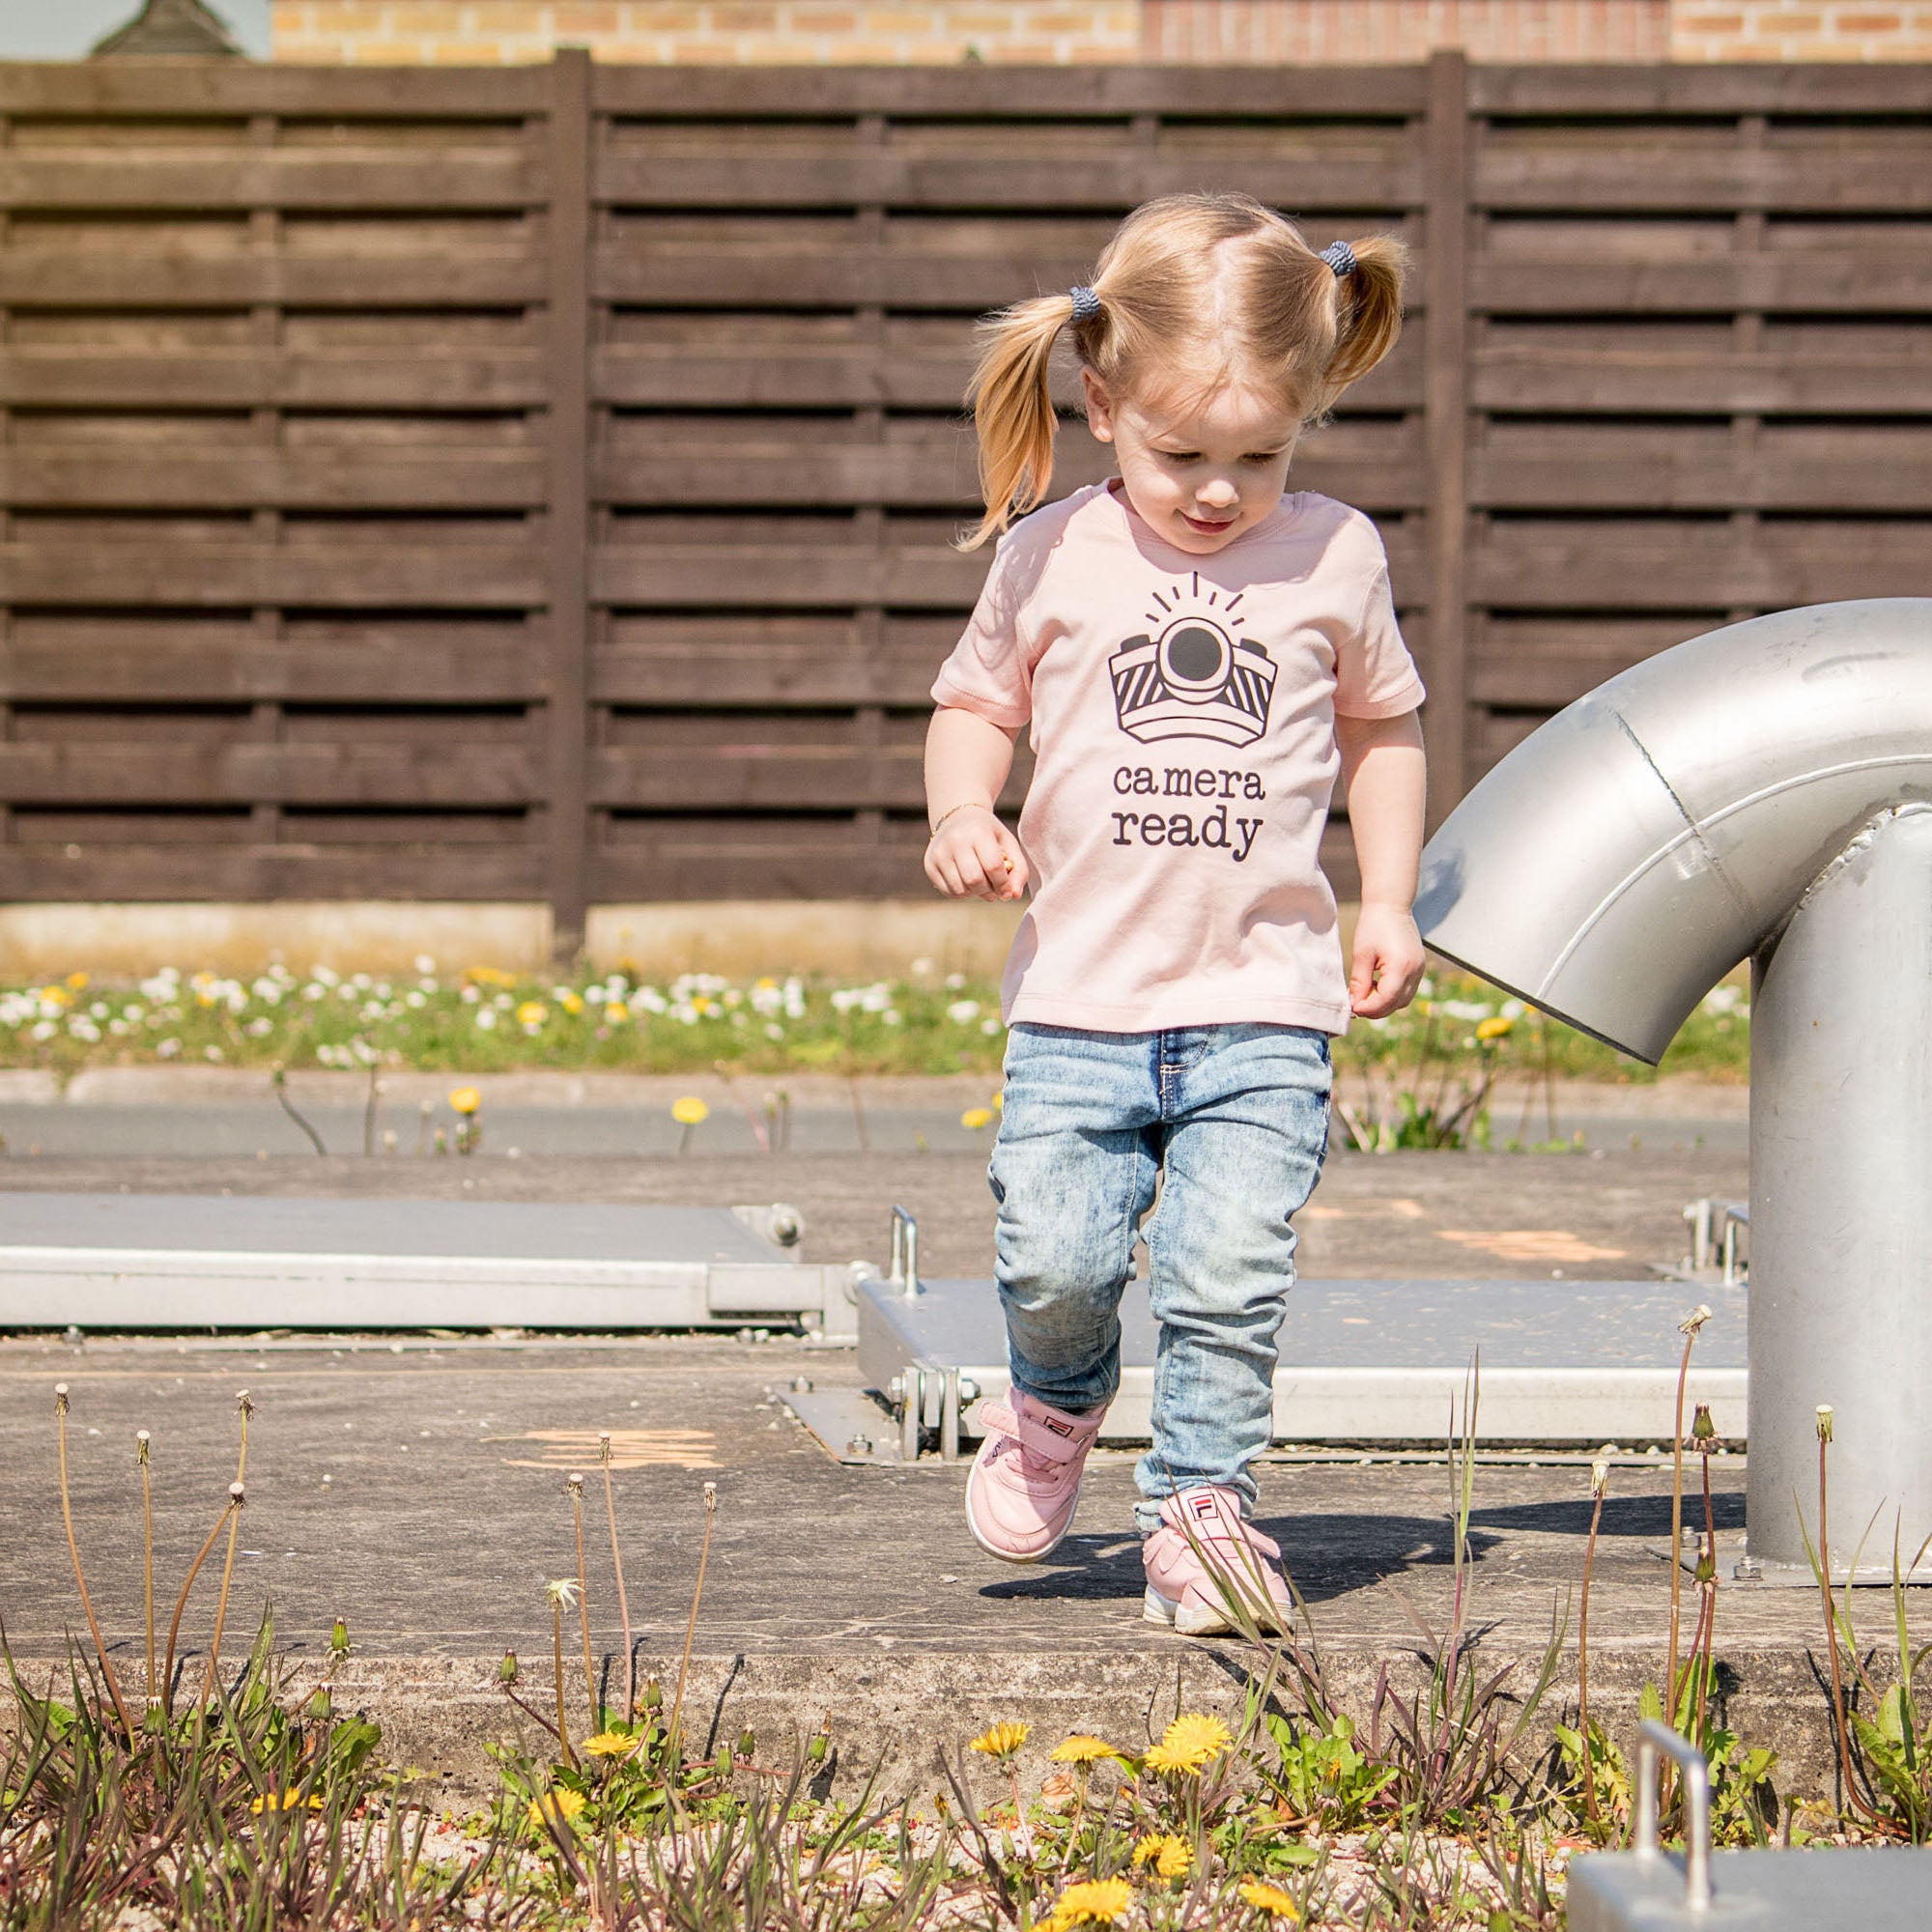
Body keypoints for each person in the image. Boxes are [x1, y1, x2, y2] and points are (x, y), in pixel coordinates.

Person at [922, 193, 1428, 1636]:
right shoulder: (1055, 554)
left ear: (1312, 416)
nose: (1219, 492)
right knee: (1055, 1263)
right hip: (1080, 1005)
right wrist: (965, 809)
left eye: (1259, 457)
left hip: (1264, 1000)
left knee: (1226, 1272)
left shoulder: (1335, 554)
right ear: (1100, 401)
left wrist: (1385, 895)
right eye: (1181, 455)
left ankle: (1201, 1510)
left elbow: (1385, 728)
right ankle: (1058, 1400)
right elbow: (975, 703)